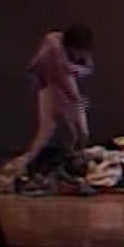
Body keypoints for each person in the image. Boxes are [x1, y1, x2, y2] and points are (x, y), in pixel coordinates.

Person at [8, 24, 94, 174]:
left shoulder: (60, 46)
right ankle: (23, 165)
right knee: (48, 131)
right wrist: (77, 99)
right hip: (49, 86)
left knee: (78, 132)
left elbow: (86, 67)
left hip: (56, 82)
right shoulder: (55, 51)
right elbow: (63, 83)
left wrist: (76, 69)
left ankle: (72, 161)